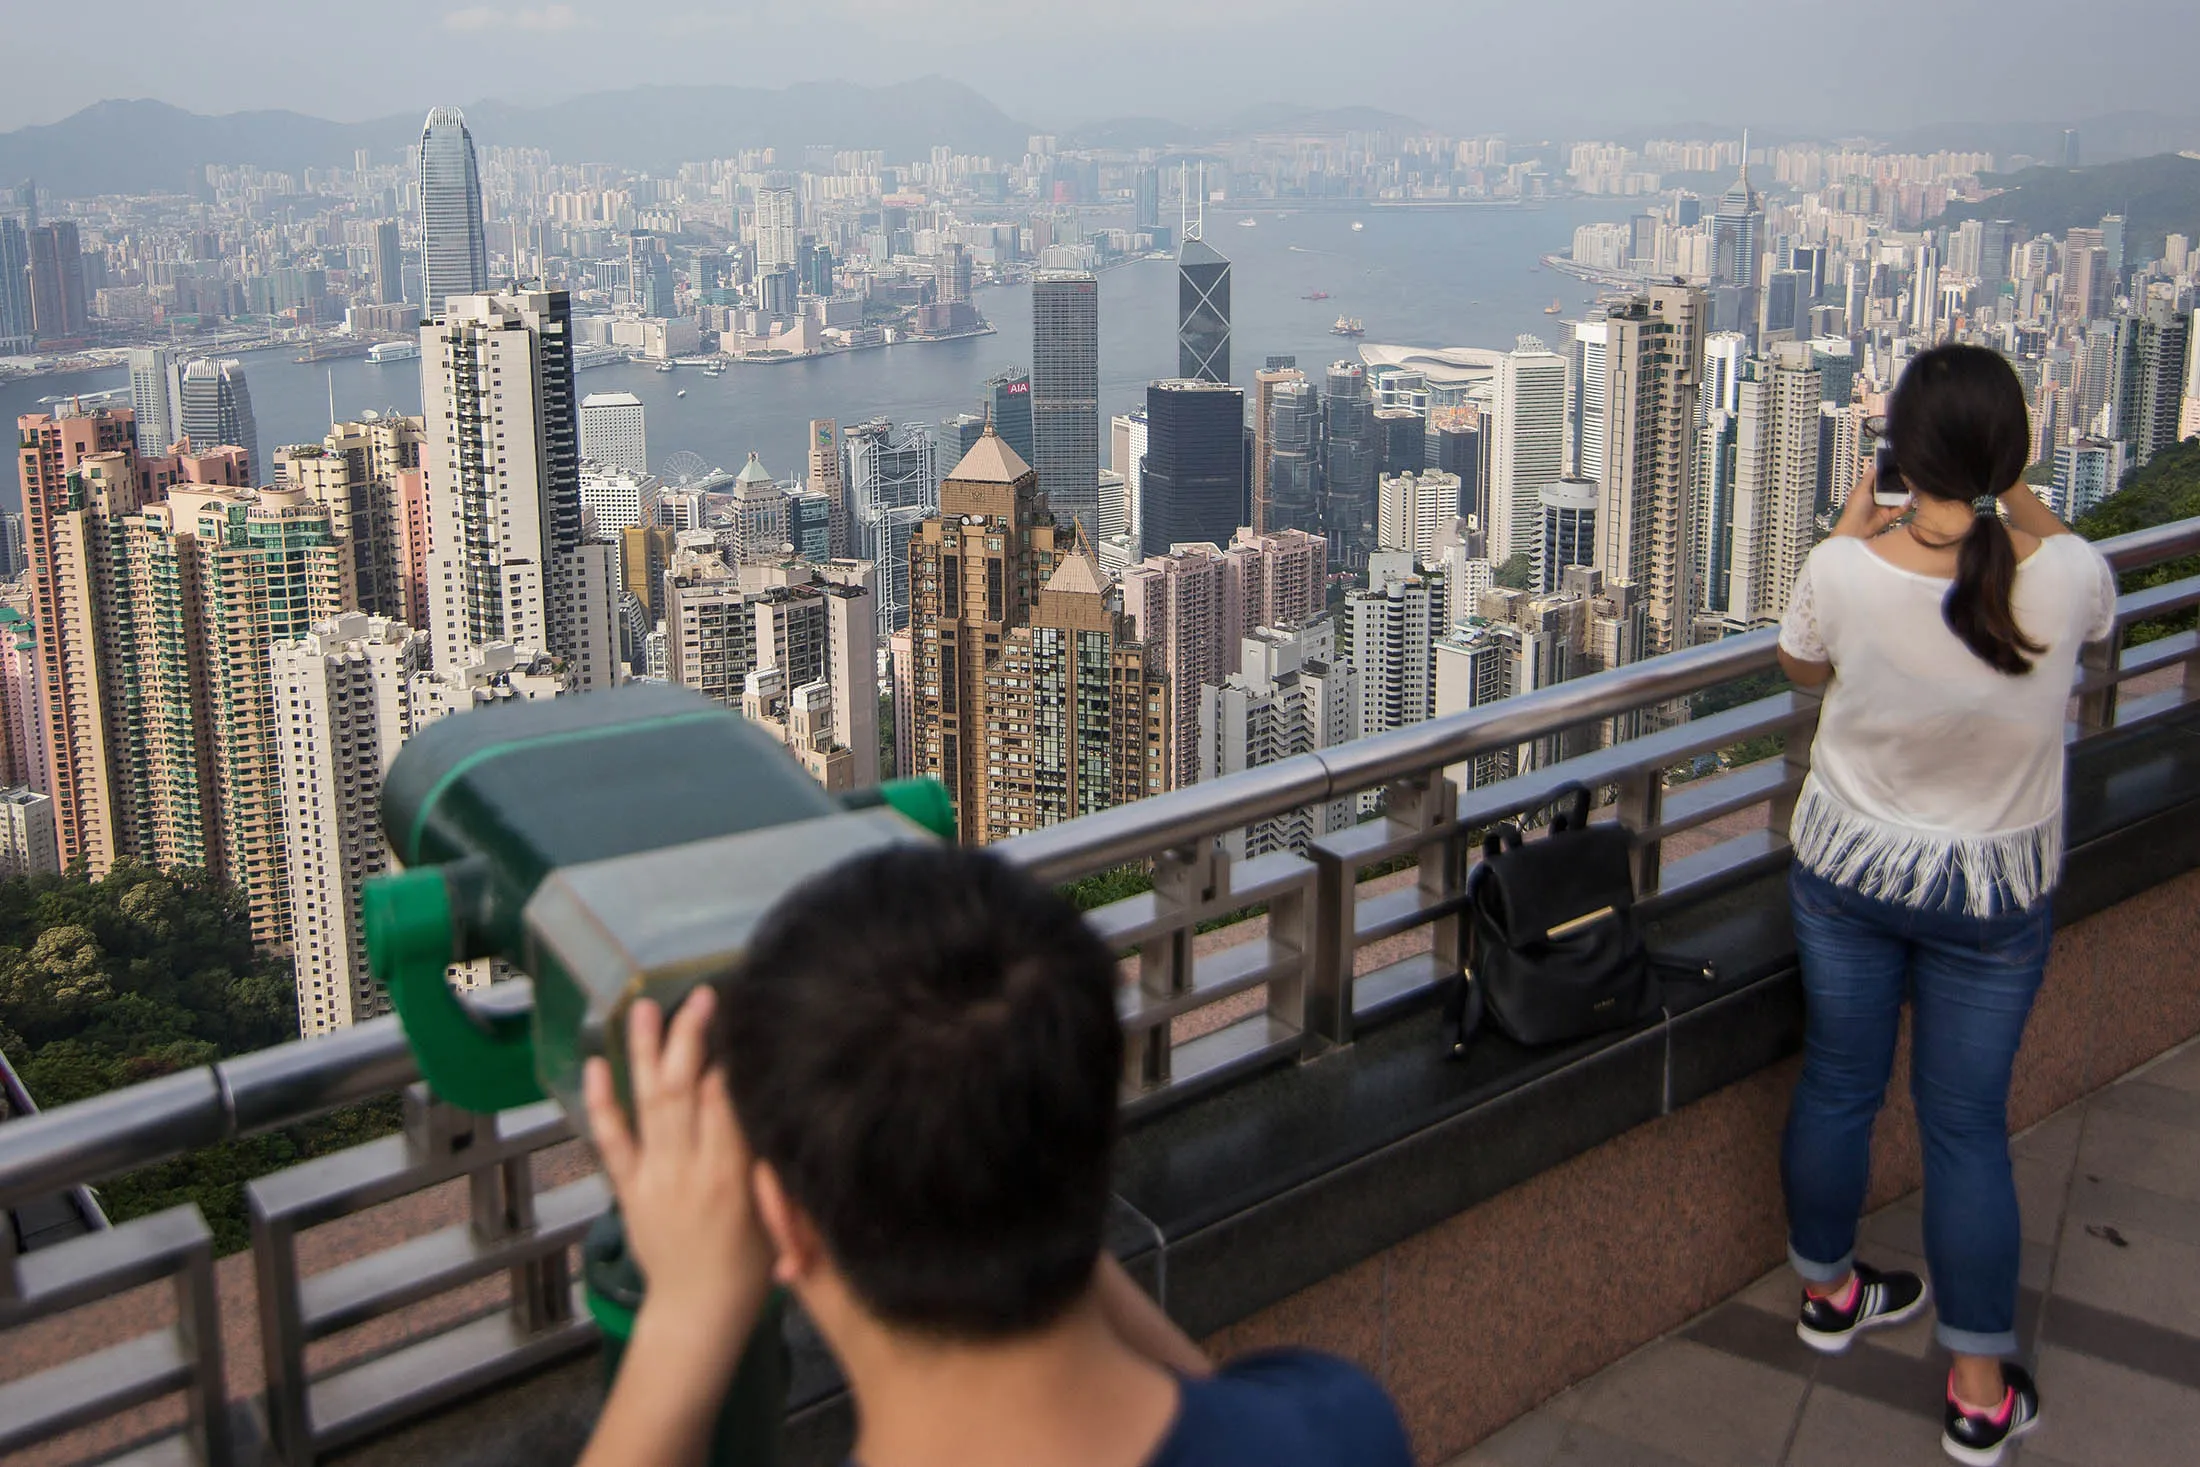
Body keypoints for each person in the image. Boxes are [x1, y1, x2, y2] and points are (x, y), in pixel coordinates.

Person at [576, 843, 1414, 1467]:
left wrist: (685, 1316)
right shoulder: (1345, 1424)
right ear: (1099, 1128)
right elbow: (1224, 1417)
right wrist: (1024, 1147)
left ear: (784, 1227)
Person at [1774, 344, 2117, 1466]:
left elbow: (1800, 668)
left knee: (1838, 1084)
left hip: (1850, 874)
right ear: (2010, 452)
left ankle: (1827, 1293)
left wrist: (1849, 523)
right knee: (1965, 1127)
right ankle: (1976, 1389)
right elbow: (2090, 605)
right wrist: (2005, 489)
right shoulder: (2060, 577)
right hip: (1989, 895)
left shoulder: (1846, 569)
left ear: (1896, 455)